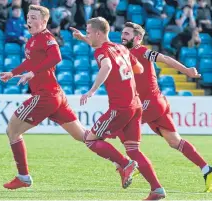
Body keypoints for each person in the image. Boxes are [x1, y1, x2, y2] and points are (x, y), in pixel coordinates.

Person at [70, 17, 166, 200]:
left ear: (98, 33)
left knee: (90, 140)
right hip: (136, 105)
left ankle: (124, 164)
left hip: (120, 107)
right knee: (133, 149)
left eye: (89, 32)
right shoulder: (121, 48)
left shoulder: (101, 52)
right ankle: (156, 188)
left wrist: (91, 91)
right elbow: (139, 69)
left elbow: (106, 65)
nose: (87, 35)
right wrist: (82, 38)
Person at [0, 4, 88, 190]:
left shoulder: (46, 37)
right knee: (83, 136)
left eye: (34, 17)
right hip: (54, 95)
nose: (29, 20)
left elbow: (57, 58)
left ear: (44, 21)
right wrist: (12, 73)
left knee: (12, 131)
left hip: (46, 95)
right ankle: (123, 162)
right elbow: (30, 61)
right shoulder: (32, 40)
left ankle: (23, 177)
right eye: (28, 16)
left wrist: (32, 73)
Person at [120, 22, 212, 192]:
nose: (123, 36)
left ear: (137, 38)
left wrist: (186, 70)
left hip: (150, 104)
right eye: (123, 33)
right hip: (157, 103)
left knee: (120, 127)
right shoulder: (125, 53)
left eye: (127, 34)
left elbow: (164, 58)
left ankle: (129, 164)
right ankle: (207, 169)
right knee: (175, 141)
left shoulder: (142, 51)